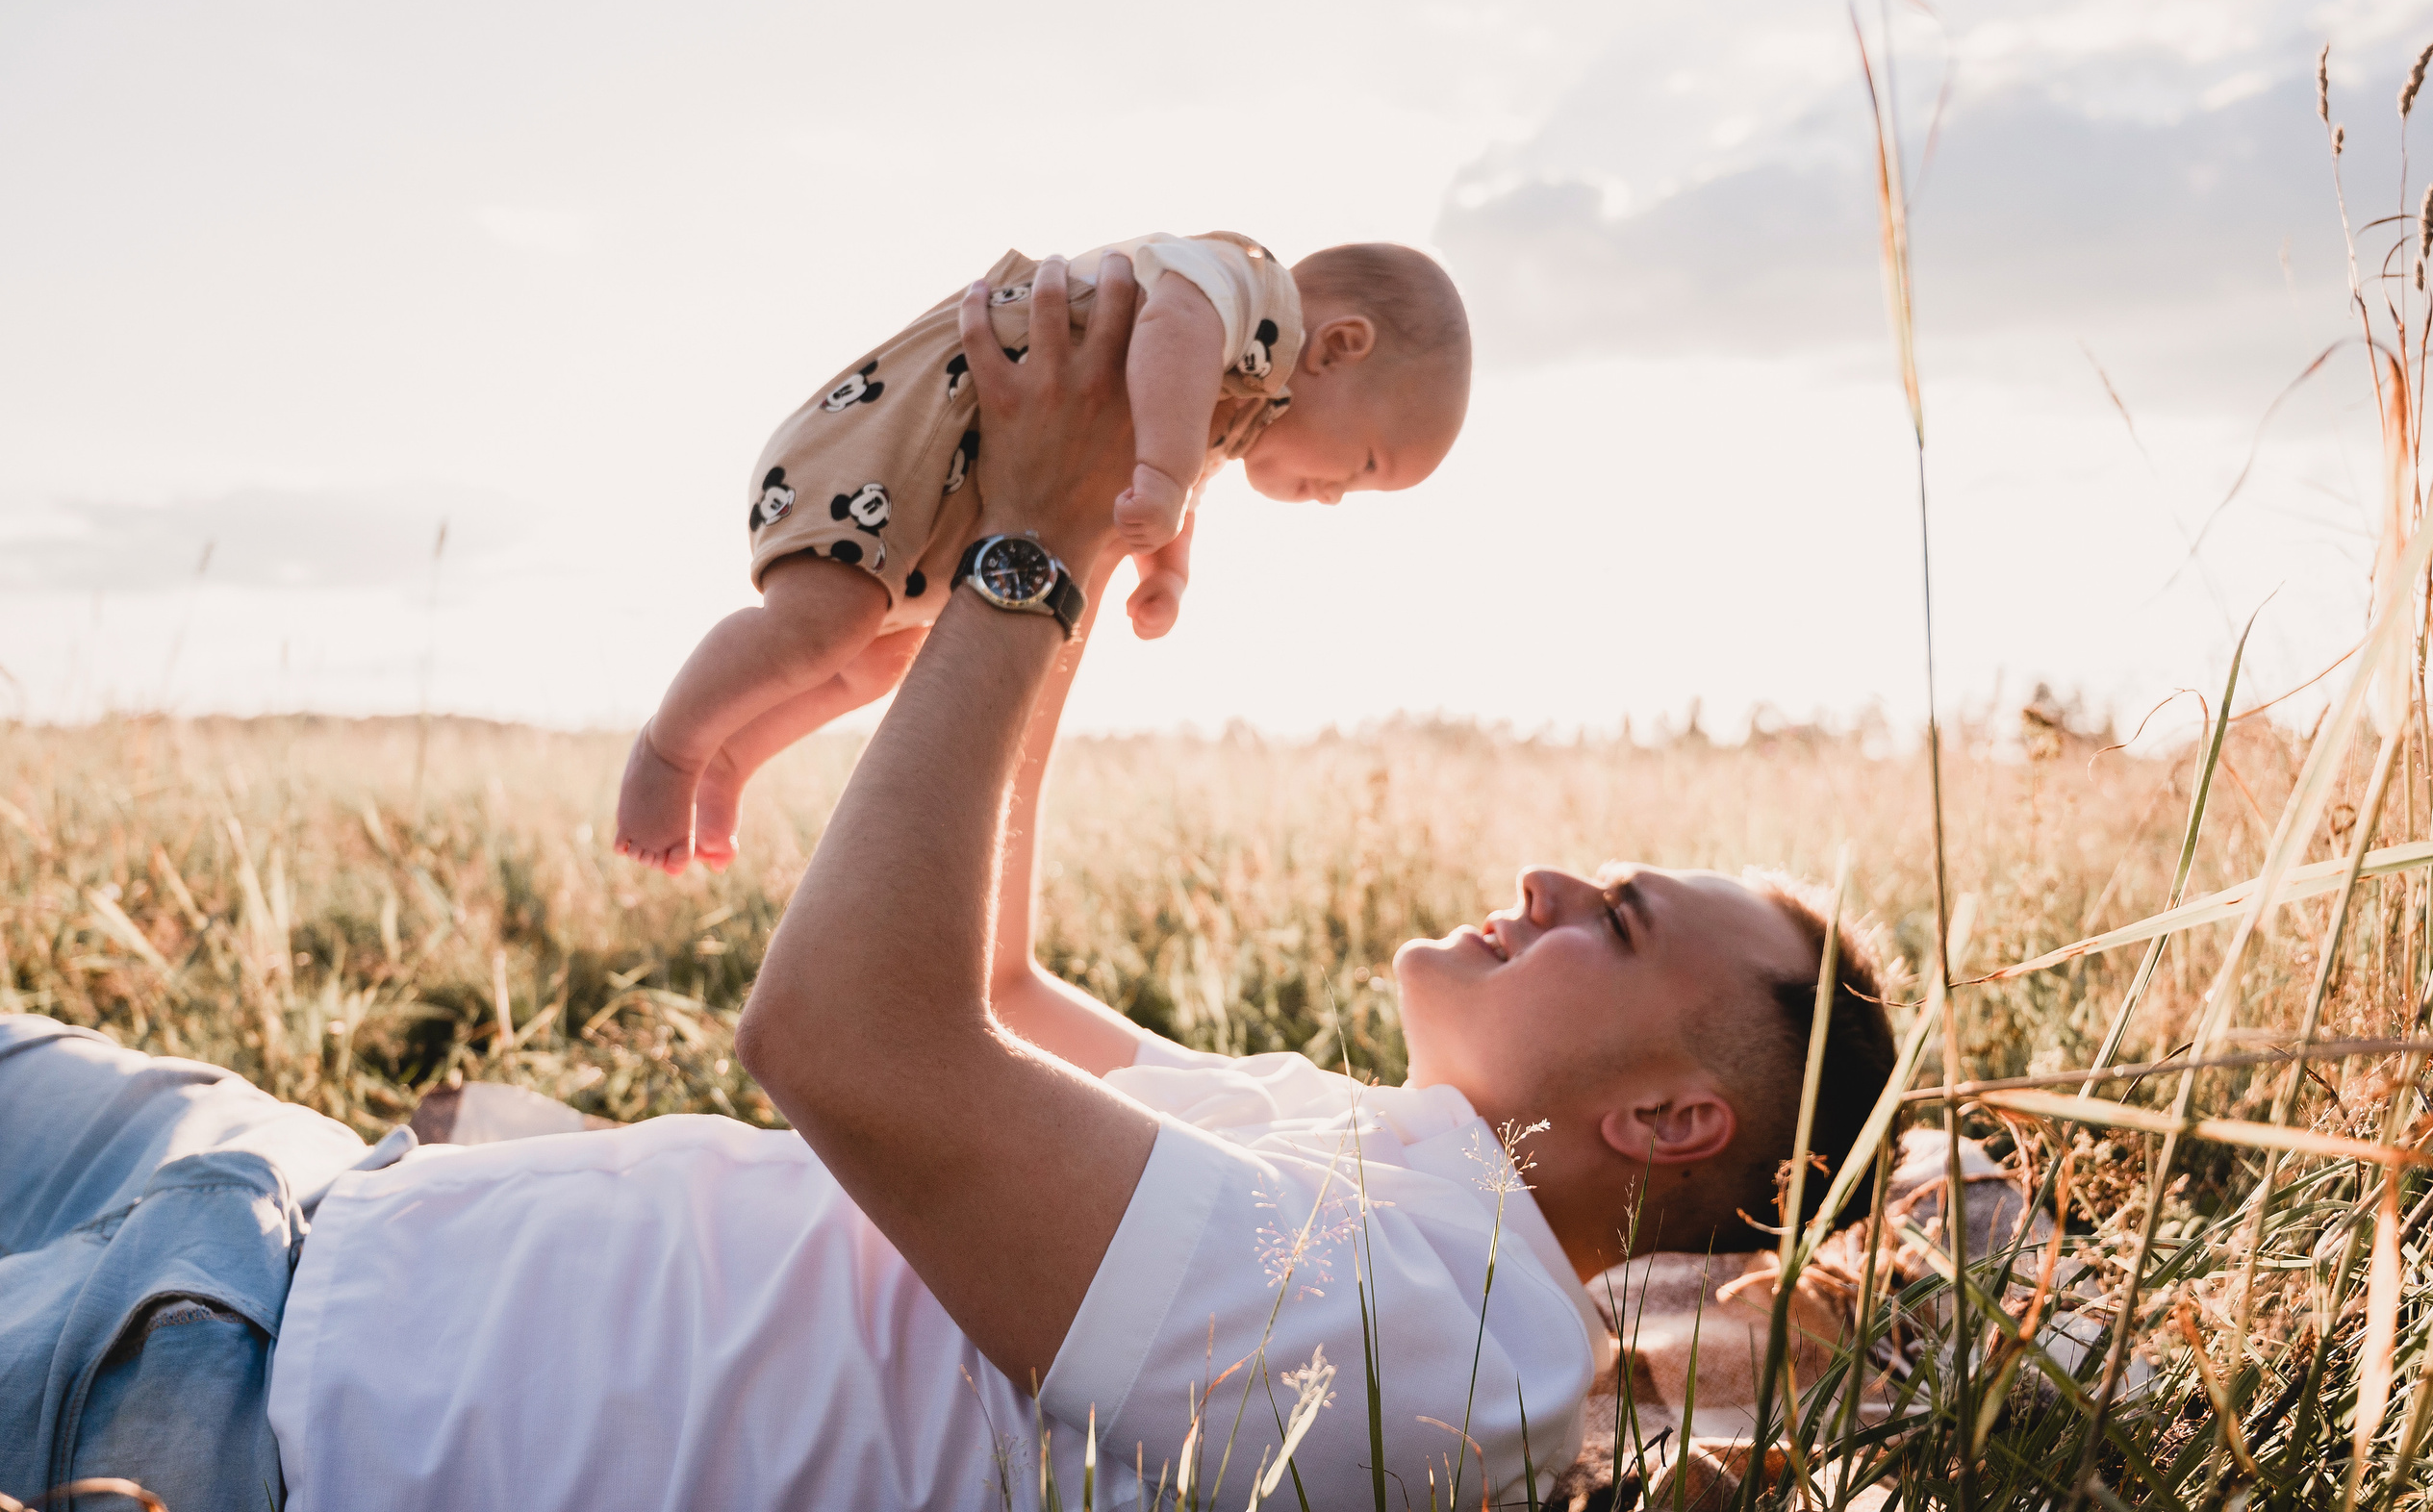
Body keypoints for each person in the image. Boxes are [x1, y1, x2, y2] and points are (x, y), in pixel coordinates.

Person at [0, 257, 1895, 1512]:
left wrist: (1039, 545)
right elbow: (985, 993)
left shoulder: (1436, 1347)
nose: (1550, 875)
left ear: (1666, 1114)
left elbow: (845, 1040)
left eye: (1619, 920)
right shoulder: (1358, 1162)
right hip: (294, 1197)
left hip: (243, 1404)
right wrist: (1035, 558)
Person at [614, 232, 1475, 872]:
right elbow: (1174, 329)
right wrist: (1164, 473)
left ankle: (730, 755)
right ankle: (670, 748)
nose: (1333, 497)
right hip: (898, 442)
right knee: (818, 628)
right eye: (1362, 467)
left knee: (875, 663)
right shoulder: (1249, 290)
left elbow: (1185, 461)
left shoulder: (1239, 406)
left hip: (943, 510)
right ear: (1338, 345)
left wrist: (1168, 568)